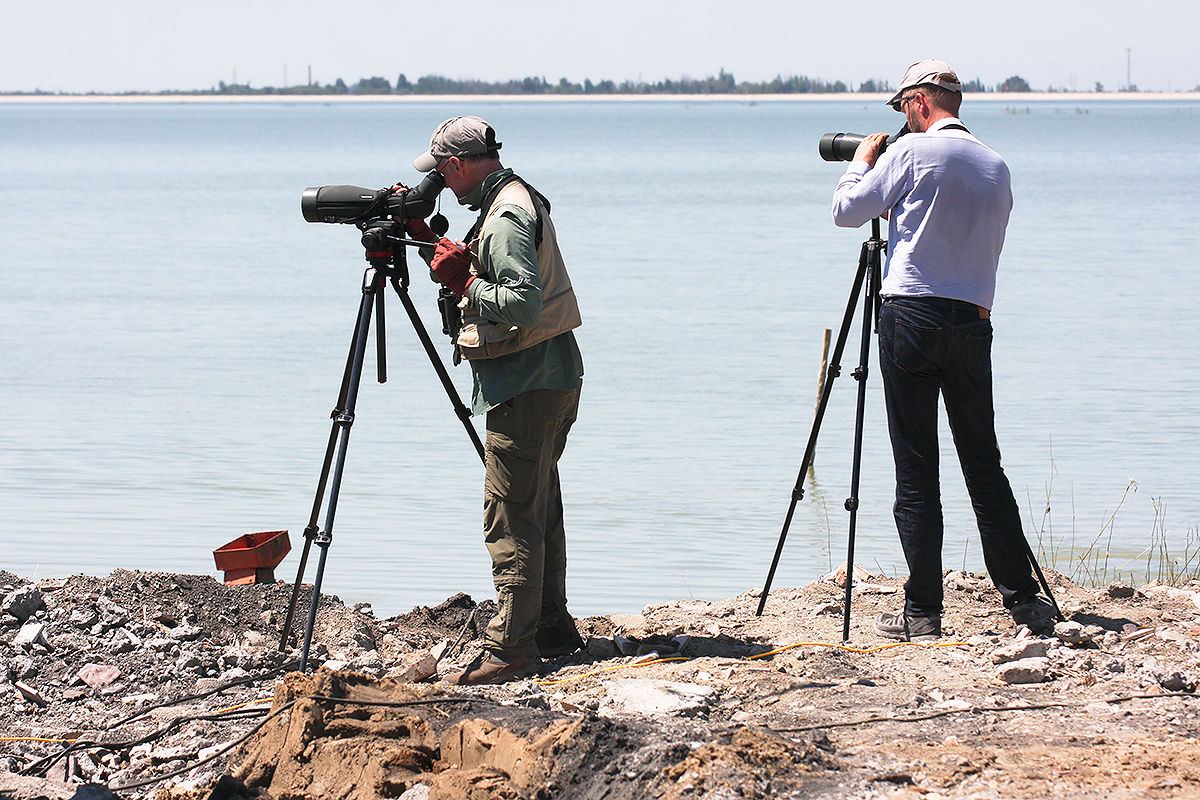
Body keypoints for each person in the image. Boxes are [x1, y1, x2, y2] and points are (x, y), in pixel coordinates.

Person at [830, 60, 1056, 641]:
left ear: (919, 102)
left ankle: (924, 612)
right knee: (984, 462)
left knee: (916, 464)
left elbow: (846, 214)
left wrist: (861, 166)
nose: (904, 120)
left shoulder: (908, 154)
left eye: (905, 108)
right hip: (974, 320)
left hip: (911, 315)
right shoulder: (996, 165)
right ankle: (1025, 602)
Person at [407, 116, 586, 682]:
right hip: (546, 375)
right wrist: (430, 243)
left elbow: (520, 305)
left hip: (529, 382)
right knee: (539, 505)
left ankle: (512, 647)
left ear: (457, 164)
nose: (439, 181)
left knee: (511, 512)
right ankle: (552, 629)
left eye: (439, 171)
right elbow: (493, 279)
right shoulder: (510, 199)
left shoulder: (506, 214)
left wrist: (463, 283)